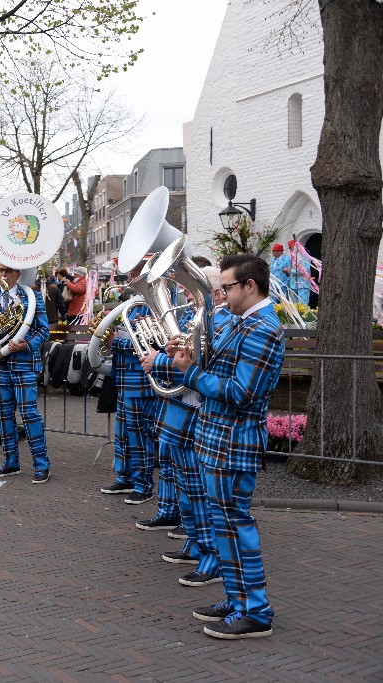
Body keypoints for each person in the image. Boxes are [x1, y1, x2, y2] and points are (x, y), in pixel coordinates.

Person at [161, 253, 284, 640]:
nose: (223, 294)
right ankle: (238, 599)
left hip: (234, 442)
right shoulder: (242, 323)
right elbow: (220, 370)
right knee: (224, 526)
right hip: (218, 439)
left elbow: (241, 392)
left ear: (250, 285)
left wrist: (190, 371)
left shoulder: (263, 328)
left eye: (229, 287)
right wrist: (185, 357)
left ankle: (256, 611)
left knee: (235, 526)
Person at [139, 267, 229, 589]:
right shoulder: (204, 320)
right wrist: (169, 350)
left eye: (193, 295)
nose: (189, 302)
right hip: (180, 409)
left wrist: (160, 361)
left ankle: (211, 557)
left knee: (197, 490)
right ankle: (195, 543)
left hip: (195, 411)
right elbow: (186, 360)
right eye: (190, 295)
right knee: (185, 487)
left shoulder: (221, 321)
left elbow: (197, 367)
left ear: (216, 293)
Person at [0, 265, 50, 483]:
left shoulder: (33, 297)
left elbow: (44, 331)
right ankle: (10, 462)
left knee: (29, 415)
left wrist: (27, 345)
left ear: (18, 274)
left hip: (23, 364)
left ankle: (41, 465)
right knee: (4, 416)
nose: (3, 275)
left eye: (8, 271)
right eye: (1, 271)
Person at [99, 259, 161, 504]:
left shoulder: (153, 305)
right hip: (125, 380)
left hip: (140, 381)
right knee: (123, 434)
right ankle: (124, 477)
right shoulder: (135, 306)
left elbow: (152, 343)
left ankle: (143, 484)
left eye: (135, 272)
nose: (130, 276)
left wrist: (116, 341)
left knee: (139, 436)